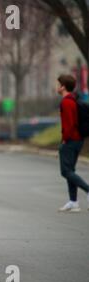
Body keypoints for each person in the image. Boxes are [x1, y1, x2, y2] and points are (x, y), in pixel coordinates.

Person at [56, 74, 89, 213]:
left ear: (63, 86)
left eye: (58, 84)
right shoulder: (72, 99)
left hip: (71, 140)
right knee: (70, 170)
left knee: (66, 171)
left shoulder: (66, 102)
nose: (56, 87)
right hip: (77, 139)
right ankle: (73, 202)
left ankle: (87, 190)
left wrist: (64, 140)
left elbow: (69, 124)